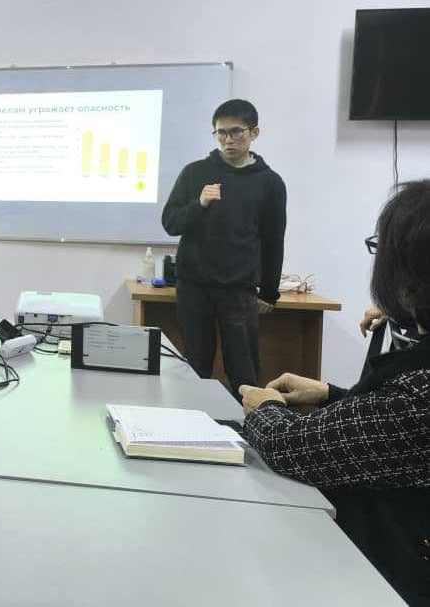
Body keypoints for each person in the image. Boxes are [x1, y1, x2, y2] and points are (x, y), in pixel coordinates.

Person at [238, 180, 430, 606]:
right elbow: (388, 430)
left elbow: (292, 447)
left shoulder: (419, 393)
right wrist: (330, 394)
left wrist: (265, 407)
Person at [161, 99, 286, 394]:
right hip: (194, 286)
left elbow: (274, 239)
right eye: (221, 133)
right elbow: (170, 223)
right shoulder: (195, 173)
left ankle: (248, 421)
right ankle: (192, 421)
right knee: (195, 367)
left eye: (236, 132)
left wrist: (270, 290)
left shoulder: (270, 182)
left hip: (239, 290)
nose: (228, 140)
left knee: (244, 369)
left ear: (254, 132)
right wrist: (199, 204)